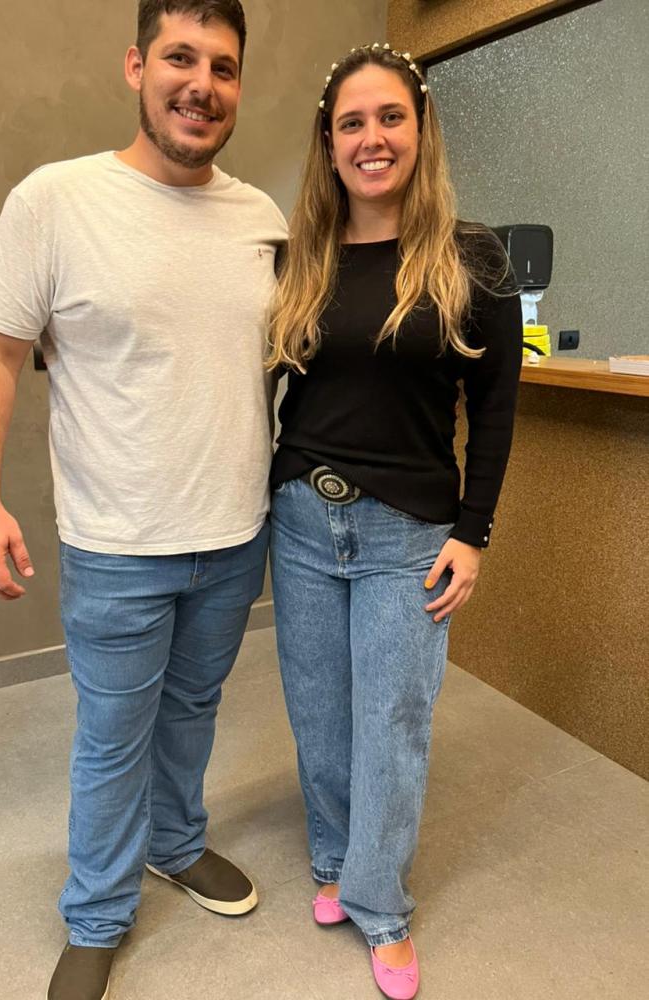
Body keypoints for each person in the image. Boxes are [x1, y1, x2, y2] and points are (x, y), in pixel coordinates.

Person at [0, 2, 287, 997]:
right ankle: (96, 913)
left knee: (193, 711)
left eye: (223, 66)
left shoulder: (262, 219)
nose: (202, 85)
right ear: (137, 66)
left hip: (235, 534)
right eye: (181, 57)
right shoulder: (55, 200)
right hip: (116, 544)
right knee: (113, 740)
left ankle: (174, 844)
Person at [266, 43, 522, 1000]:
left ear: (421, 128)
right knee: (320, 712)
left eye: (389, 118)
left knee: (393, 720)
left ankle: (381, 904)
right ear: (328, 142)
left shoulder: (473, 258)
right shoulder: (300, 257)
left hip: (409, 532)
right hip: (302, 519)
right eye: (351, 123)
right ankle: (336, 861)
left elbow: (495, 408)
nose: (371, 139)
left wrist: (474, 531)